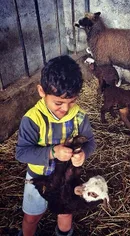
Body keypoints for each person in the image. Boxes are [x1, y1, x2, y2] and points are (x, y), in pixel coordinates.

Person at [16, 55, 96, 236]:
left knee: (65, 212)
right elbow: (22, 153)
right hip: (38, 178)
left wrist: (83, 154)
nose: (66, 109)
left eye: (72, 101)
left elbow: (90, 142)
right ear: (41, 92)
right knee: (31, 217)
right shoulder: (32, 119)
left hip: (67, 178)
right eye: (58, 103)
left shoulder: (80, 116)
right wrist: (53, 152)